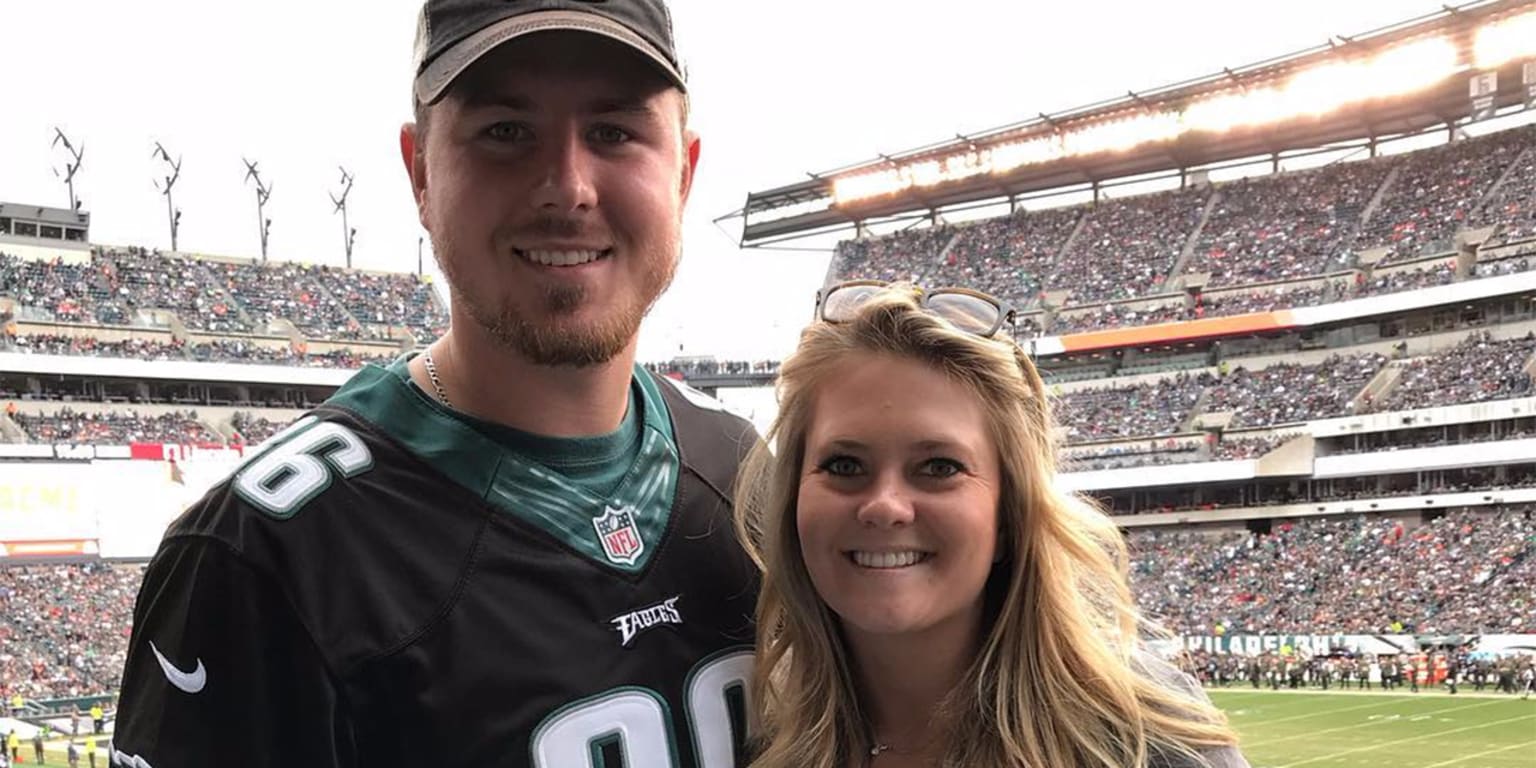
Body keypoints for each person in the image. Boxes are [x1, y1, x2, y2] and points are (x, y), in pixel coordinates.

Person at [112, 0, 759, 765]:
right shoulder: (257, 554)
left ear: (682, 173)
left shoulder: (742, 470)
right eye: (506, 132)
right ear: (421, 172)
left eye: (614, 132)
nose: (567, 188)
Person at [733, 283, 1248, 767]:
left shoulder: (1146, 739)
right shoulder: (756, 730)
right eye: (844, 466)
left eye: (939, 467)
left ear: (1009, 513)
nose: (885, 506)